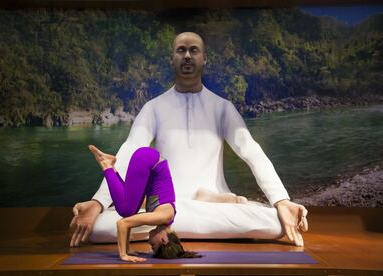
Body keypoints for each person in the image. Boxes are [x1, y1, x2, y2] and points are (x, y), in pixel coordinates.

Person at [70, 32, 308, 249]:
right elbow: (129, 152)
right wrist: (98, 202)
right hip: (168, 205)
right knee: (97, 228)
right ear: (171, 59)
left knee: (277, 223)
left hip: (209, 206)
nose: (187, 56)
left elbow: (251, 151)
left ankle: (181, 215)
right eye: (180, 50)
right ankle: (179, 214)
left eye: (193, 50)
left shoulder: (222, 108)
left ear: (204, 59)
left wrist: (281, 200)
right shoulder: (153, 108)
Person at [88, 145, 247, 261]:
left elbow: (130, 220)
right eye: (153, 246)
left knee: (128, 208)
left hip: (150, 160)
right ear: (164, 240)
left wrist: (128, 248)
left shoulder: (165, 218)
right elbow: (123, 224)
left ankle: (110, 166)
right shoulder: (163, 216)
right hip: (147, 159)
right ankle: (106, 165)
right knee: (125, 210)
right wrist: (123, 254)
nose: (149, 243)